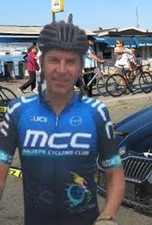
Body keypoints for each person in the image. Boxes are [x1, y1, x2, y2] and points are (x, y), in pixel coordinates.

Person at [0, 16, 125, 225]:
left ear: (79, 68)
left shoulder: (97, 112)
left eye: (70, 61)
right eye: (54, 60)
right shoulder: (18, 111)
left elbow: (115, 175)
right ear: (41, 63)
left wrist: (108, 216)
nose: (61, 69)